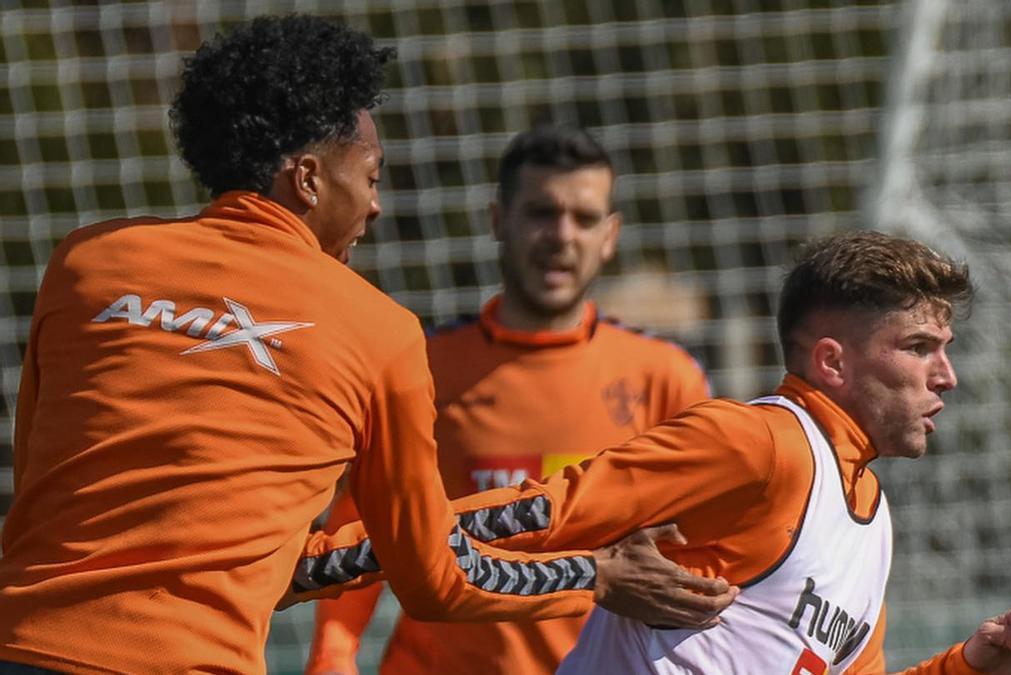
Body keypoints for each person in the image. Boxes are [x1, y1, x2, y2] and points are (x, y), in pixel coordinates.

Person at [0, 17, 733, 675]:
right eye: (371, 175)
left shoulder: (86, 262)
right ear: (310, 178)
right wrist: (594, 574)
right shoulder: (380, 330)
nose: (377, 204)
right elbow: (434, 573)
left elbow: (41, 483)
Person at [312, 231, 1011, 673]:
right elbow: (543, 511)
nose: (945, 375)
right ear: (832, 361)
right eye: (920, 346)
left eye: (944, 348)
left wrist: (968, 667)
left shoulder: (872, 519)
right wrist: (318, 561)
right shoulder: (762, 443)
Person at [304, 125, 712, 675]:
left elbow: (703, 555)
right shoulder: (422, 365)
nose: (561, 235)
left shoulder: (666, 380)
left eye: (585, 218)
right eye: (542, 213)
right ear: (500, 220)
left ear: (610, 235)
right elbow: (364, 529)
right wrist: (333, 655)